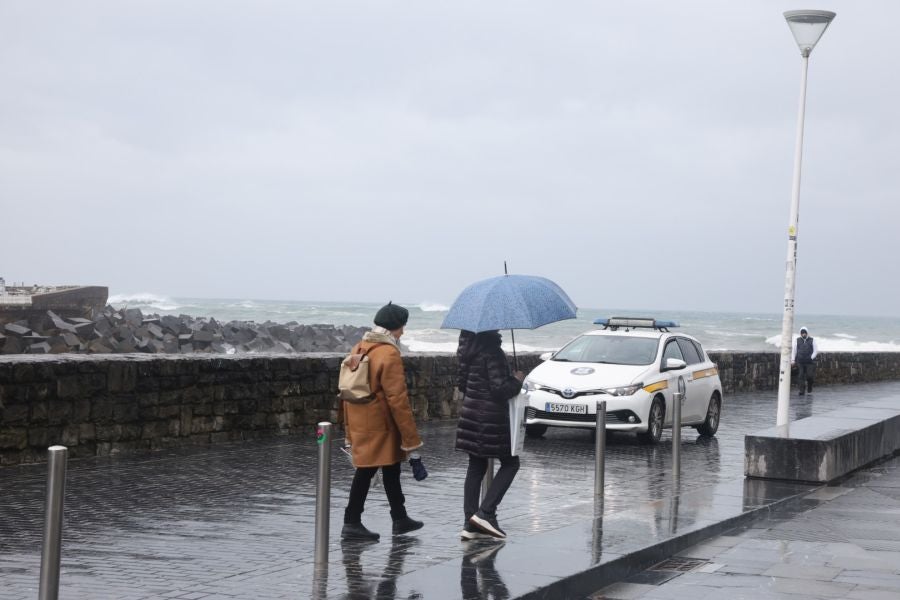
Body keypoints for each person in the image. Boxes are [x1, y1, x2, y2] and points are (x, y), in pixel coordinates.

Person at [341, 302, 425, 541]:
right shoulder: (388, 353)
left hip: (361, 419)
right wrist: (411, 438)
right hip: (381, 424)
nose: (403, 332)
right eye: (402, 327)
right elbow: (397, 398)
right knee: (366, 471)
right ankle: (351, 522)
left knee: (391, 468)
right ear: (393, 327)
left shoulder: (361, 346)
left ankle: (400, 518)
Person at [455, 330, 525, 540]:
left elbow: (462, 385)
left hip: (471, 415)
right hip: (491, 418)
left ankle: (470, 524)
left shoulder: (466, 352)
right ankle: (486, 513)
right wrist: (516, 380)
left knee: (476, 466)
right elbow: (499, 390)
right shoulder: (492, 352)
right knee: (511, 463)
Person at [791, 326, 819, 396]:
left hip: (809, 362)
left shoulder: (812, 340)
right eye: (802, 333)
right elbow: (794, 350)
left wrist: (811, 358)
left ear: (807, 333)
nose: (803, 334)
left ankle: (809, 386)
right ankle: (802, 390)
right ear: (800, 333)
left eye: (805, 333)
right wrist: (793, 360)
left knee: (810, 376)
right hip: (800, 361)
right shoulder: (797, 340)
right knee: (800, 376)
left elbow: (815, 351)